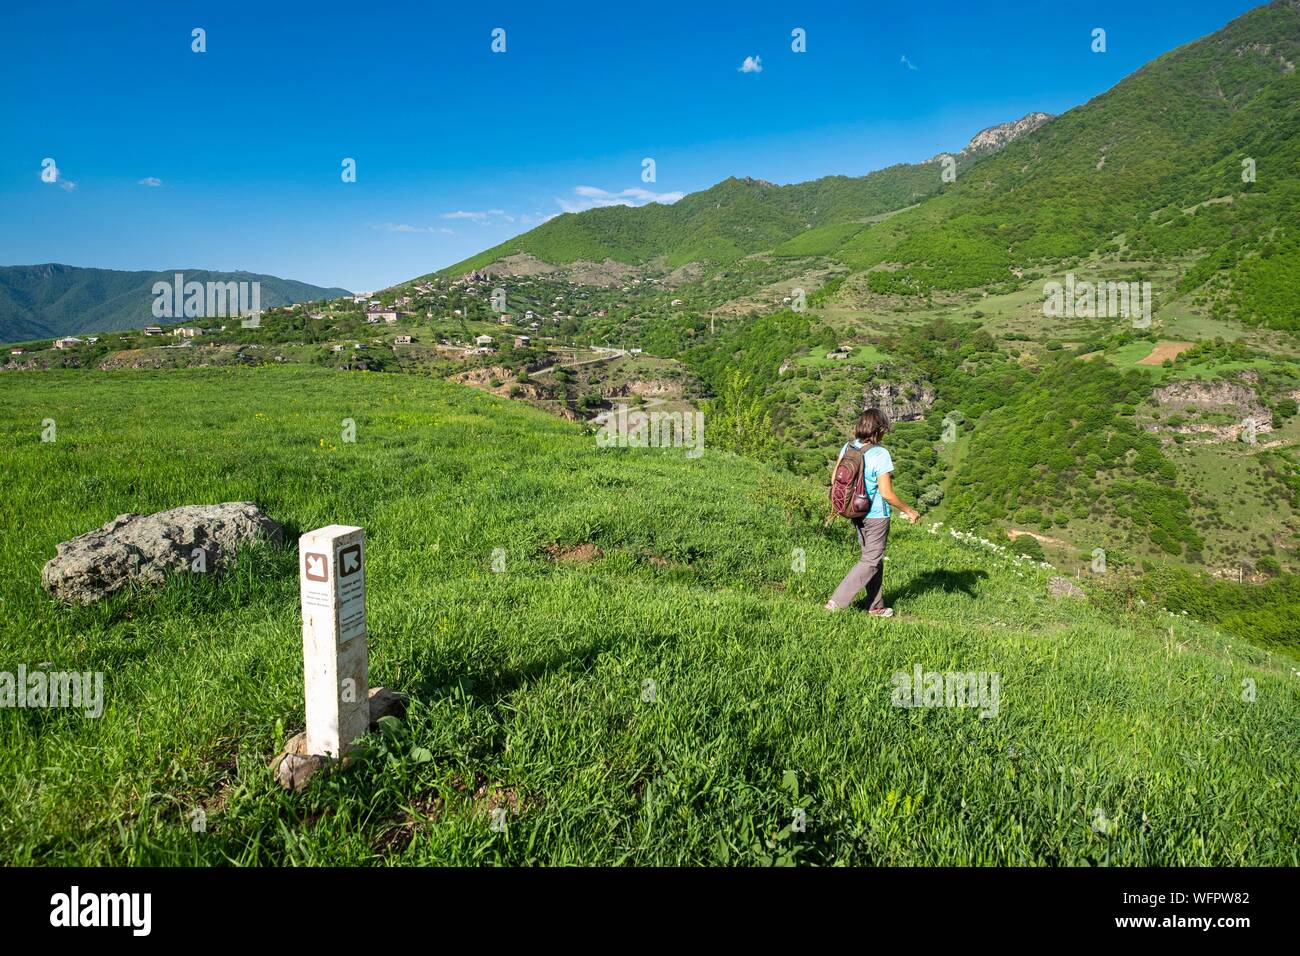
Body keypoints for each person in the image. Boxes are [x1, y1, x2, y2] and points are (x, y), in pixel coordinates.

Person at [825, 408, 919, 616]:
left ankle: (875, 606)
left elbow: (834, 480)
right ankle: (836, 603)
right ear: (879, 430)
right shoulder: (880, 453)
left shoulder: (848, 447)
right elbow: (886, 493)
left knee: (872, 559)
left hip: (855, 511)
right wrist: (909, 510)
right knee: (870, 560)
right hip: (876, 515)